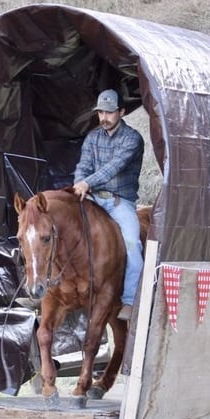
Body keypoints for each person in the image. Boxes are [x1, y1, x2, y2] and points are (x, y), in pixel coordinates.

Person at [72, 89, 145, 321]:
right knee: (64, 233)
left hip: (119, 201)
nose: (104, 117)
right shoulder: (93, 137)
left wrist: (86, 182)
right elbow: (83, 165)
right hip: (93, 198)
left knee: (134, 247)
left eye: (109, 112)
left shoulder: (132, 139)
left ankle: (130, 301)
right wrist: (78, 185)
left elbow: (113, 167)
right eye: (101, 112)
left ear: (121, 112)